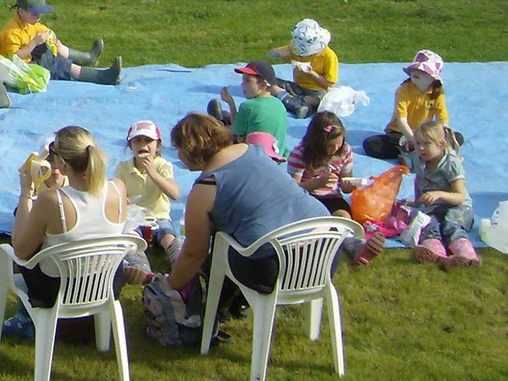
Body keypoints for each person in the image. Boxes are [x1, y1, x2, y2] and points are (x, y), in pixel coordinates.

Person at [162, 113, 380, 325]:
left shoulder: (205, 188)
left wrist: (167, 288)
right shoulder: (253, 151)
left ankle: (215, 311)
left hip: (277, 272)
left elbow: (193, 253)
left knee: (222, 246)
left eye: (179, 149)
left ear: (190, 149)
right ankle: (350, 243)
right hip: (324, 260)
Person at [5, 125, 135, 339]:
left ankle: (25, 320)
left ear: (62, 164)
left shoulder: (52, 201)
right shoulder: (118, 188)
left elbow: (20, 250)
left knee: (14, 254)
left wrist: (26, 193)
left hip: (57, 291)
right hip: (106, 284)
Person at [0, 0, 118, 85]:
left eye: (40, 14)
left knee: (55, 48)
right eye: (35, 14)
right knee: (60, 64)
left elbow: (45, 30)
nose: (38, 17)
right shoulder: (12, 32)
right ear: (21, 11)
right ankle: (101, 77)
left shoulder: (29, 22)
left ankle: (87, 57)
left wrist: (52, 38)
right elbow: (13, 58)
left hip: (29, 58)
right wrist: (34, 43)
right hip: (21, 68)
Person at [362, 50, 463, 160]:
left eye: (423, 71)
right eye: (414, 69)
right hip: (401, 133)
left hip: (425, 133)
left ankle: (416, 152)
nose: (416, 72)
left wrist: (438, 137)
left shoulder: (438, 93)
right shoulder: (403, 90)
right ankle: (425, 152)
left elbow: (443, 121)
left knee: (457, 137)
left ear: (433, 78)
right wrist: (415, 141)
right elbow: (402, 121)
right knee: (371, 144)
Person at [407, 118, 478, 267]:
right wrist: (418, 200)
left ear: (441, 144)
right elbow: (419, 179)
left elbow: (460, 196)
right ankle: (434, 252)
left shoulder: (451, 164)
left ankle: (467, 256)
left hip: (459, 207)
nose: (421, 148)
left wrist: (439, 194)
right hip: (436, 207)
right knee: (428, 223)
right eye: (418, 143)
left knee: (452, 224)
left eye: (427, 144)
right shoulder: (420, 160)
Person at [115, 119, 181, 262]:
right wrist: (122, 199)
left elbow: (174, 194)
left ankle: (180, 263)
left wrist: (153, 173)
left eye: (148, 141)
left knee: (168, 237)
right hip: (134, 219)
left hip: (159, 217)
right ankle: (139, 268)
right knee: (132, 242)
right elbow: (119, 193)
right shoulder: (123, 167)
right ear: (130, 146)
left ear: (157, 146)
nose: (143, 145)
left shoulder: (162, 165)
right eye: (137, 140)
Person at [209, 61, 291, 159]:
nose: (242, 84)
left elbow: (237, 132)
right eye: (243, 80)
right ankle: (222, 118)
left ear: (263, 84)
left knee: (222, 132)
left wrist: (231, 104)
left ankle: (217, 122)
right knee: (232, 117)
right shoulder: (279, 104)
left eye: (247, 81)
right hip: (278, 155)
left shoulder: (248, 106)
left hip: (254, 157)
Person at [287, 112, 359, 216]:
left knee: (345, 219)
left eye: (339, 143)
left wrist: (349, 186)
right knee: (316, 222)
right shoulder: (300, 153)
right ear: (317, 143)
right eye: (330, 146)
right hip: (308, 197)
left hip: (332, 198)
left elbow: (345, 184)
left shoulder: (344, 150)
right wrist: (318, 183)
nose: (335, 148)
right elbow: (292, 189)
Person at [269, 18, 337, 117]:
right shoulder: (296, 48)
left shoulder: (329, 56)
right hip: (297, 87)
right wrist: (279, 53)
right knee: (267, 82)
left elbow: (330, 85)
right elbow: (271, 54)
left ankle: (294, 102)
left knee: (323, 99)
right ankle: (297, 103)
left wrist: (311, 74)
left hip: (317, 90)